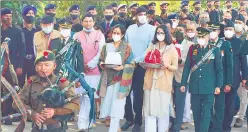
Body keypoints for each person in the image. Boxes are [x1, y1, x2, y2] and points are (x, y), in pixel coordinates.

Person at [13, 50, 80, 132]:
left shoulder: (62, 83)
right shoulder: (31, 82)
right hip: (36, 128)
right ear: (35, 67)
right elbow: (17, 102)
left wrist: (55, 111)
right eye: (40, 65)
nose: (43, 68)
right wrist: (32, 113)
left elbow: (75, 104)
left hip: (57, 129)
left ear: (54, 66)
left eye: (47, 65)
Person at [180, 27, 223, 132]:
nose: (200, 38)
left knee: (207, 113)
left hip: (209, 87)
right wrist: (183, 83)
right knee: (196, 113)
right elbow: (187, 67)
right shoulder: (192, 49)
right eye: (199, 36)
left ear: (208, 37)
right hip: (195, 87)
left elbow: (219, 69)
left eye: (203, 37)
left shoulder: (214, 49)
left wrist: (218, 86)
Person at [121, 6, 155, 132]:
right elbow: (125, 45)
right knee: (126, 93)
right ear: (135, 15)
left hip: (142, 66)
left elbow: (150, 47)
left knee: (138, 94)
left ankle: (138, 121)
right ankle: (129, 119)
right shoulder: (130, 28)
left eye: (143, 14)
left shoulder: (152, 29)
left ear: (147, 15)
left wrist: (138, 59)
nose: (141, 16)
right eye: (139, 14)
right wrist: (127, 59)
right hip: (128, 65)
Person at [98, 24, 135, 132]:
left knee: (118, 105)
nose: (115, 35)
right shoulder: (106, 46)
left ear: (122, 35)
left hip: (121, 80)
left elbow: (132, 64)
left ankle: (113, 129)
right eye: (114, 32)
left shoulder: (127, 47)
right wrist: (101, 64)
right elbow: (100, 59)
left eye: (118, 33)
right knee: (108, 104)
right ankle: (115, 127)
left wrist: (123, 67)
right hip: (108, 80)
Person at [143, 25, 178, 132]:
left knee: (163, 111)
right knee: (149, 111)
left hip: (163, 83)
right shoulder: (151, 46)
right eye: (158, 33)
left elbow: (175, 67)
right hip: (150, 82)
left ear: (166, 34)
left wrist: (167, 66)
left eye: (162, 33)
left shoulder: (172, 49)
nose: (160, 35)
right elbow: (145, 60)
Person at [74, 13, 105, 131]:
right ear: (82, 22)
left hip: (94, 71)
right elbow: (74, 54)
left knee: (90, 97)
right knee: (81, 97)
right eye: (85, 21)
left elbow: (101, 52)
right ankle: (83, 122)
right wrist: (81, 67)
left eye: (90, 21)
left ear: (94, 22)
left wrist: (91, 64)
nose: (88, 23)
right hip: (80, 72)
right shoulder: (76, 35)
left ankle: (87, 123)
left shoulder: (99, 35)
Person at [222, 20, 248, 132]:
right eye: (226, 29)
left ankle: (226, 127)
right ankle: (218, 126)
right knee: (219, 104)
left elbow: (243, 62)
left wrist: (245, 78)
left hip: (234, 78)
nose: (228, 31)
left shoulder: (241, 42)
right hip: (220, 78)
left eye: (230, 29)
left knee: (230, 104)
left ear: (234, 31)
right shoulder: (219, 42)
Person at [1, 8, 26, 125]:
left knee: (11, 91)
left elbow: (22, 50)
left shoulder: (17, 30)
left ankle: (10, 116)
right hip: (1, 67)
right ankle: (4, 116)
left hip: (12, 67)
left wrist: (20, 66)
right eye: (6, 16)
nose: (9, 18)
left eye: (10, 15)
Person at [207, 22, 233, 132]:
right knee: (207, 106)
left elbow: (229, 65)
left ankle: (217, 129)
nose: (212, 32)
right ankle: (209, 127)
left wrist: (229, 83)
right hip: (207, 81)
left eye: (214, 30)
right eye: (210, 30)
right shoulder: (204, 43)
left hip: (221, 81)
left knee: (219, 107)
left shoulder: (225, 44)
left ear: (218, 31)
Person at [20, 5, 38, 88]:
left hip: (34, 60)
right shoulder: (18, 29)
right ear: (24, 15)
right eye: (28, 13)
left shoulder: (38, 30)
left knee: (33, 83)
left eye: (32, 13)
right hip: (20, 60)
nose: (30, 15)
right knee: (20, 83)